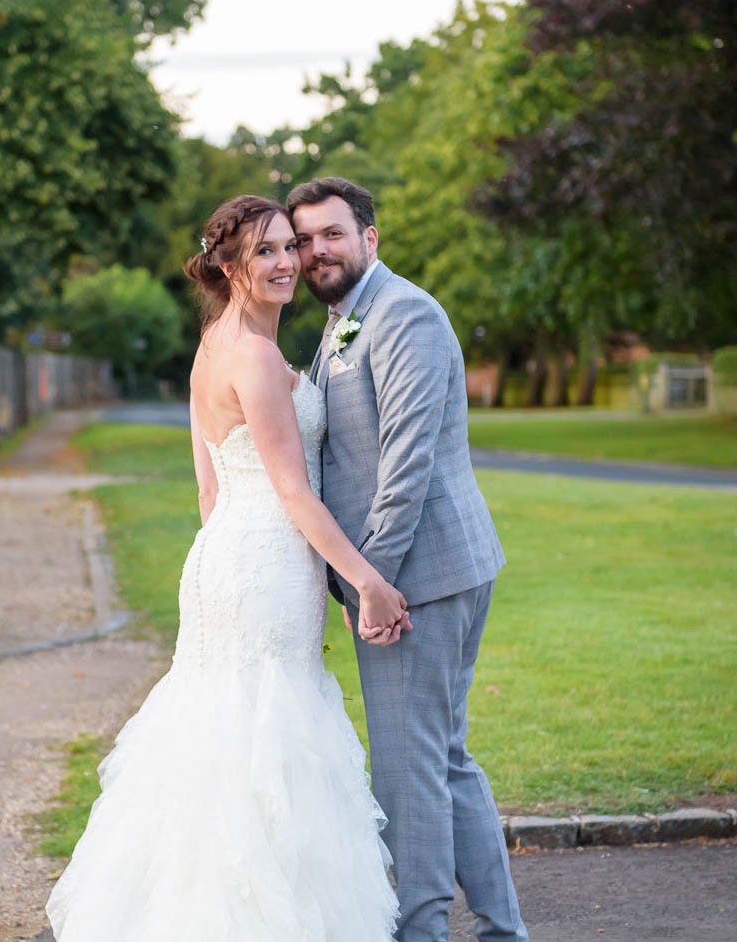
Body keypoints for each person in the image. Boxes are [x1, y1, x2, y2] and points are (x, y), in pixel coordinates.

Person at [46, 194, 408, 941]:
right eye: (267, 252)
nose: (287, 263)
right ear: (228, 266)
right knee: (269, 738)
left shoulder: (212, 345)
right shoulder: (254, 356)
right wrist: (366, 581)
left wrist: (246, 567)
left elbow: (210, 490)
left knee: (220, 732)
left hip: (225, 558)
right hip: (265, 561)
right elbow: (292, 492)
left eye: (289, 247)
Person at [288, 177, 529, 942]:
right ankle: (502, 930)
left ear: (370, 237)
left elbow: (407, 462)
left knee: (409, 769)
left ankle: (420, 931)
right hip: (417, 573)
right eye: (304, 240)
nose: (316, 251)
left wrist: (373, 584)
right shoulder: (343, 322)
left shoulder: (406, 315)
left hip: (418, 576)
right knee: (444, 759)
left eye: (331, 234)